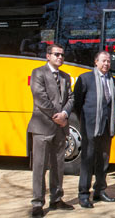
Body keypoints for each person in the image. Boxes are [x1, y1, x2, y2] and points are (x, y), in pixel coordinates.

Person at [28, 44, 74, 217]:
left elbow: (71, 97)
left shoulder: (65, 76)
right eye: (56, 54)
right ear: (48, 56)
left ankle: (56, 199)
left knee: (58, 165)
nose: (60, 57)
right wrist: (57, 116)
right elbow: (40, 98)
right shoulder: (38, 73)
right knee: (40, 166)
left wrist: (65, 114)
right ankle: (38, 203)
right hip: (42, 127)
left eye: (62, 55)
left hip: (60, 128)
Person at [74, 51, 115, 208]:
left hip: (107, 127)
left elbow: (112, 104)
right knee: (87, 160)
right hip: (90, 127)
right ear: (96, 62)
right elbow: (77, 103)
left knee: (103, 160)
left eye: (108, 61)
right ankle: (83, 194)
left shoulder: (114, 81)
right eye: (103, 61)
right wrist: (85, 122)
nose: (106, 63)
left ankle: (100, 190)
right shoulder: (85, 79)